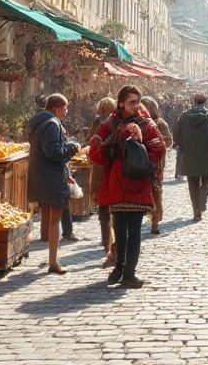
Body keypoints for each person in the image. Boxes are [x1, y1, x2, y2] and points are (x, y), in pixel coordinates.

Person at [89, 85, 165, 288]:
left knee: (134, 230)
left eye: (137, 101)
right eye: (131, 102)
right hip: (116, 185)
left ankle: (130, 272)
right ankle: (119, 267)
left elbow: (158, 148)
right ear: (121, 103)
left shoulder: (146, 123)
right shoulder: (110, 123)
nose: (135, 105)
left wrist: (138, 148)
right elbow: (95, 151)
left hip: (138, 183)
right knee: (120, 230)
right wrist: (108, 146)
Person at [25, 94, 79, 275]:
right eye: (65, 108)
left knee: (48, 216)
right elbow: (54, 152)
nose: (66, 111)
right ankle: (53, 261)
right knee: (55, 219)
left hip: (40, 175)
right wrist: (73, 148)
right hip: (52, 177)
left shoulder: (37, 122)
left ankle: (50, 256)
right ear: (56, 108)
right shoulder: (52, 124)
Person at [174, 93, 208, 222]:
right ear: (205, 103)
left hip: (189, 155)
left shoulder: (184, 117)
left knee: (192, 184)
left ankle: (196, 210)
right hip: (207, 155)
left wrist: (181, 144)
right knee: (206, 181)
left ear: (194, 102)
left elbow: (176, 134)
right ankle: (202, 201)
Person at [92, 97, 118, 266]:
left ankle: (105, 239)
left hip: (100, 166)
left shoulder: (99, 122)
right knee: (113, 204)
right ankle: (113, 240)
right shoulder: (116, 122)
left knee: (103, 204)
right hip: (113, 166)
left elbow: (93, 141)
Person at [142, 97, 173, 235]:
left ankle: (154, 222)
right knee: (155, 191)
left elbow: (167, 142)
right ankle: (154, 223)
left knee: (153, 190)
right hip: (152, 164)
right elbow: (168, 142)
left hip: (151, 163)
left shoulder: (159, 124)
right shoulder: (140, 122)